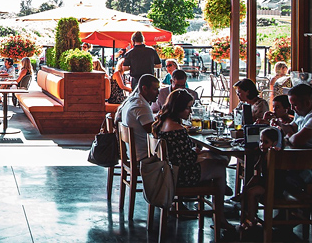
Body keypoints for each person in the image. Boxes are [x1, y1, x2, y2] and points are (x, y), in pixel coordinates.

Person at [152, 89, 233, 233]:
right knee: (220, 167)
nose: (189, 111)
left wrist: (201, 154)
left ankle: (221, 191)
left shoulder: (161, 123)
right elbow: (189, 160)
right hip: (181, 176)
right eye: (188, 107)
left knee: (216, 159)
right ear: (179, 107)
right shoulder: (177, 129)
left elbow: (181, 154)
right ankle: (219, 215)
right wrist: (203, 155)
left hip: (167, 173)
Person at [237, 127, 285, 233]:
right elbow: (256, 168)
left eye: (266, 142)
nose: (262, 144)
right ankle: (243, 194)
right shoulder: (263, 154)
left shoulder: (275, 154)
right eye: (261, 141)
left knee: (252, 192)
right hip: (266, 182)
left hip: (275, 186)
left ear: (275, 143)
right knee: (254, 179)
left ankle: (251, 219)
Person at [115, 74, 159, 161]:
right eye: (155, 89)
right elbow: (154, 131)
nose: (158, 92)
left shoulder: (132, 101)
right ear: (144, 89)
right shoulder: (141, 106)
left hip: (132, 153)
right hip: (144, 155)